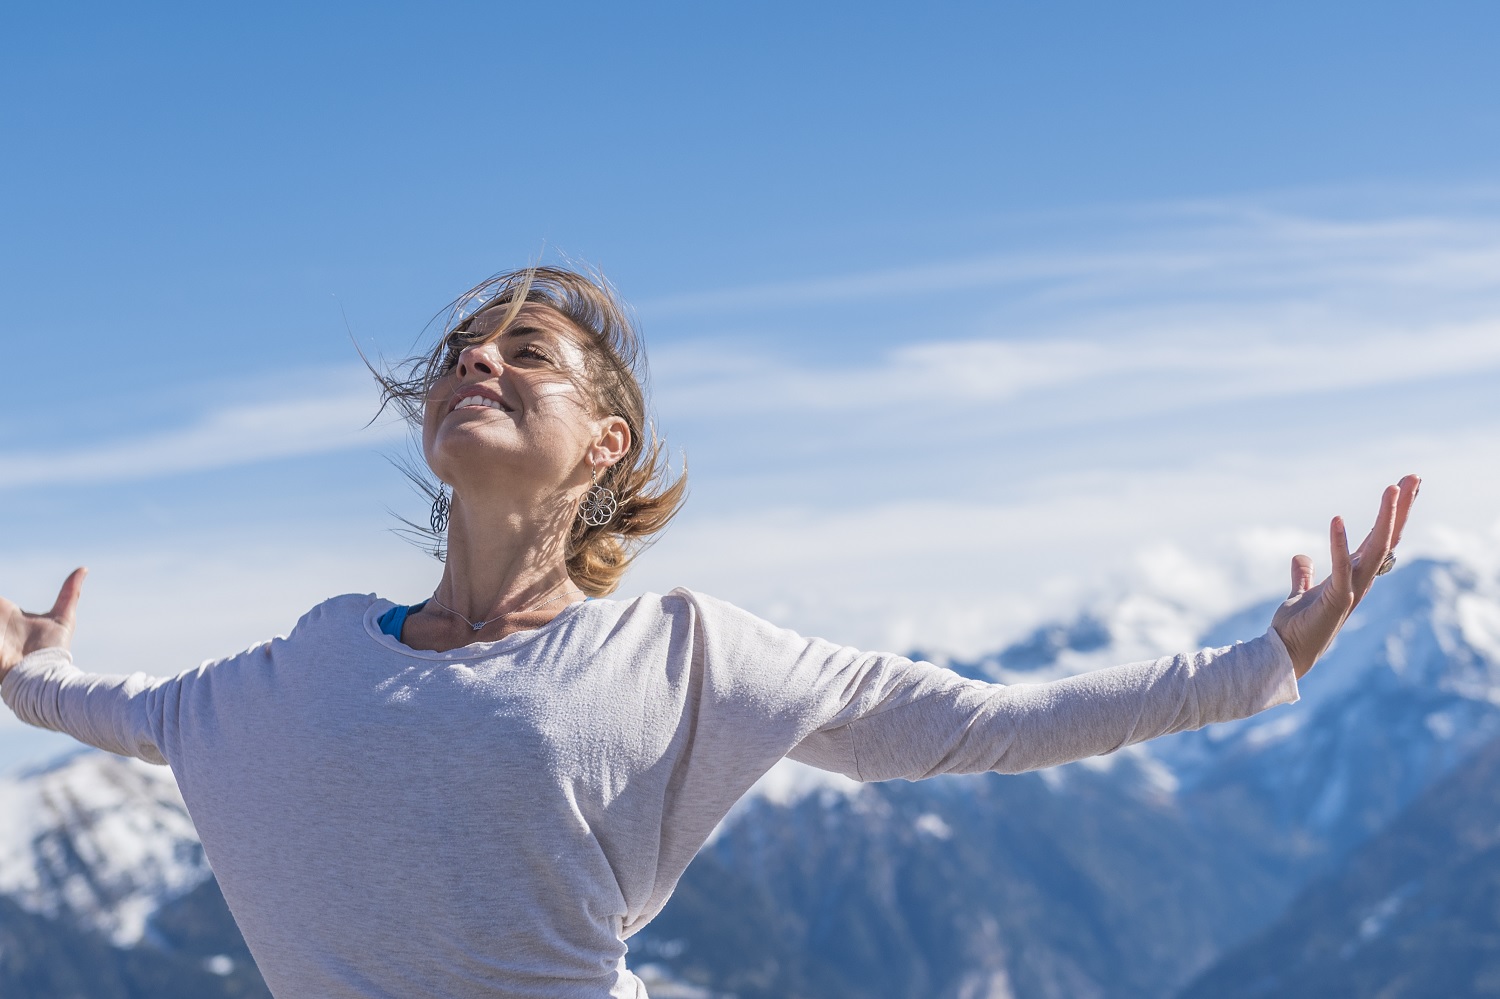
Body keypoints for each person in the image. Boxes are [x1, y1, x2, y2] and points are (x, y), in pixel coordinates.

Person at [0, 265, 1420, 999]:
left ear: (605, 444)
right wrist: (30, 672)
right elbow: (130, 711)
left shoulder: (683, 655)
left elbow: (978, 725)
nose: (473, 361)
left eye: (525, 354)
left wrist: (1259, 664)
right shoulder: (301, 662)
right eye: (457, 356)